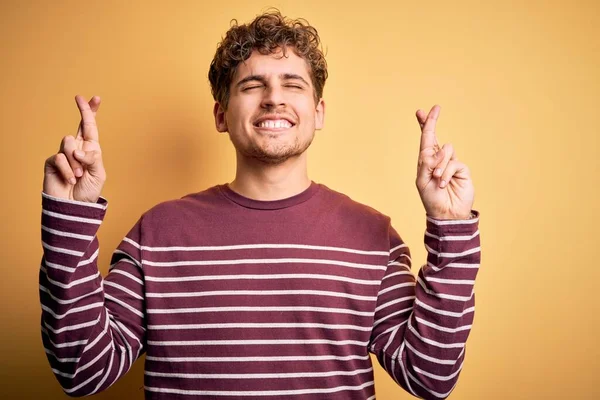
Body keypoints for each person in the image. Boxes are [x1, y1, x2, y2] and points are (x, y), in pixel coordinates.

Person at [40, 10, 480, 400]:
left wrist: (451, 226)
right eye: (253, 85)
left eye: (293, 84)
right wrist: (70, 221)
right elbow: (83, 370)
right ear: (220, 114)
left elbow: (430, 376)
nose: (274, 98)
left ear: (318, 112)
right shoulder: (157, 232)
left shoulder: (374, 237)